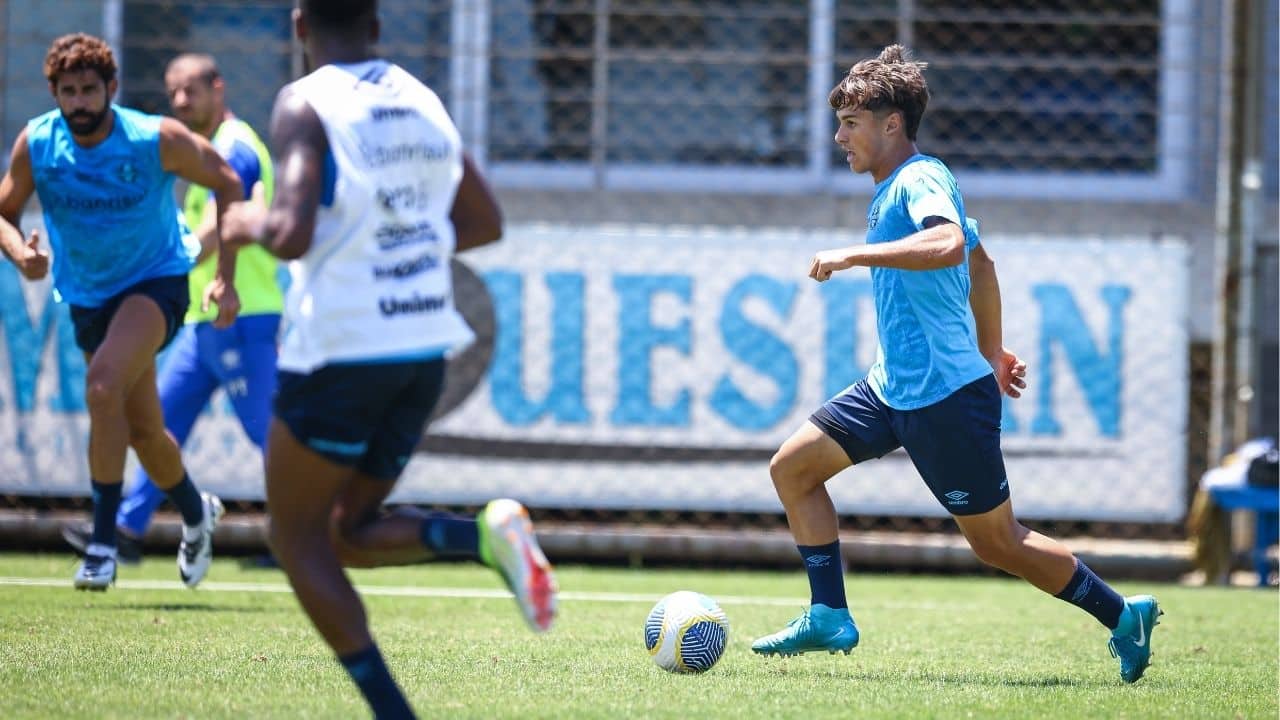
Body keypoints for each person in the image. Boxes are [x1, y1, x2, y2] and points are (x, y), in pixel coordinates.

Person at [749, 45, 1163, 684]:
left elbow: (946, 245)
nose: (839, 137)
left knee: (997, 543)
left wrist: (855, 256)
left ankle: (1122, 614)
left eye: (851, 123)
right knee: (794, 469)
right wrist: (993, 351)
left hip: (944, 397)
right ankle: (829, 613)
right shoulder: (900, 185)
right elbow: (981, 261)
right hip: (894, 388)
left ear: (892, 125)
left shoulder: (919, 180)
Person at [219, 2, 558, 716]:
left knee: (295, 536)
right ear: (376, 26)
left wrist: (246, 219)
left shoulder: (304, 102)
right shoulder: (418, 96)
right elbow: (483, 221)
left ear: (299, 23)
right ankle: (482, 538)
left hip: (343, 350)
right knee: (347, 530)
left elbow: (288, 230)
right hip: (420, 352)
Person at [0, 33, 244, 590]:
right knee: (143, 430)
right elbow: (5, 212)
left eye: (90, 90)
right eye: (69, 92)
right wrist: (21, 256)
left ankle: (104, 544)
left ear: (111, 89)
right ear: (55, 94)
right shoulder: (39, 143)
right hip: (88, 295)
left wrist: (226, 278)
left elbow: (230, 183)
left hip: (156, 281)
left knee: (103, 385)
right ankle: (194, 511)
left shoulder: (152, 139)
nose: (80, 102)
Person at [61, 53, 279, 566]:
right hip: (202, 320)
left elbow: (227, 221)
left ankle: (299, 533)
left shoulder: (238, 149)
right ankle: (127, 530)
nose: (181, 101)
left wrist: (159, 262)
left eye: (192, 91)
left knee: (270, 430)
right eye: (173, 91)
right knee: (154, 425)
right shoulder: (206, 149)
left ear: (218, 88)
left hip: (240, 314)